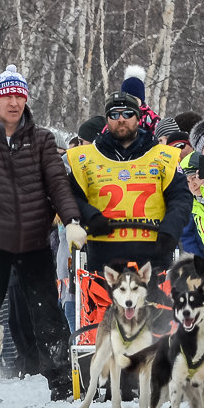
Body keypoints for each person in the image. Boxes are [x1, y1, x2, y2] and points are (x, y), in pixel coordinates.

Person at [0, 65, 86, 401]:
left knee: (49, 317)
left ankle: (62, 386)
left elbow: (58, 184)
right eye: (8, 95)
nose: (14, 102)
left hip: (34, 242)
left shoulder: (42, 139)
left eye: (20, 95)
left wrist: (70, 220)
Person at [70, 92, 189, 276]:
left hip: (153, 252)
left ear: (138, 118)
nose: (121, 120)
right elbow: (69, 196)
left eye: (127, 114)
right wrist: (90, 216)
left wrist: (170, 231)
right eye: (114, 114)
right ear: (107, 119)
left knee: (154, 305)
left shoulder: (164, 156)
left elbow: (181, 197)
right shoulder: (85, 158)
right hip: (103, 253)